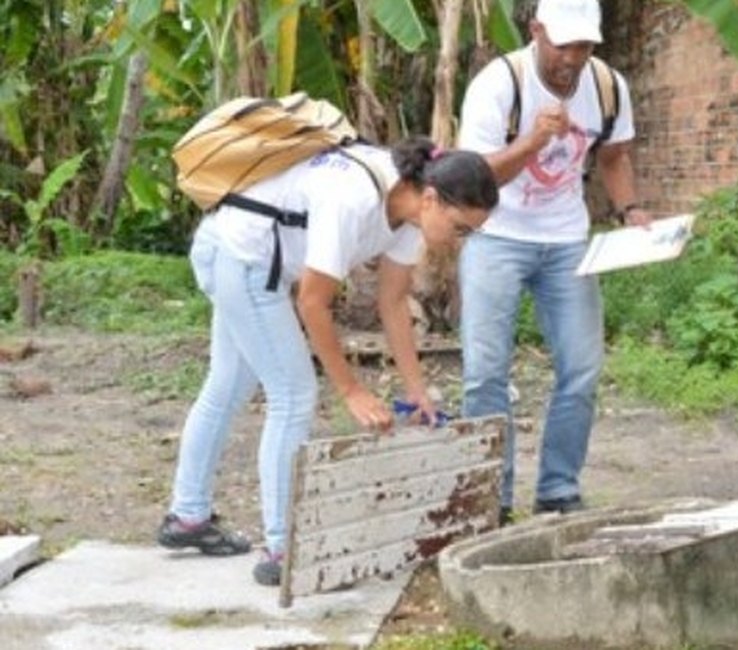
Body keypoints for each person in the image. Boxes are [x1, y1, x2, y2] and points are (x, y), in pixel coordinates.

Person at [156, 137, 499, 586]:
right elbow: (313, 303)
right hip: (242, 258)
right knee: (294, 395)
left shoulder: (411, 210)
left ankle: (188, 517)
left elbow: (393, 303)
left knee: (229, 384)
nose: (461, 241)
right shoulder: (353, 200)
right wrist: (352, 390)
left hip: (248, 256)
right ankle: (284, 547)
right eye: (461, 229)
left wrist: (416, 390)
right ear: (432, 198)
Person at [456, 0, 650, 523]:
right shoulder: (500, 83)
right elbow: (472, 176)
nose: (573, 57)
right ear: (536, 30)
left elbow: (613, 155)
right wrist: (533, 140)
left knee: (582, 369)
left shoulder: (608, 85)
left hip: (567, 239)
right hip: (495, 234)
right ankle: (490, 497)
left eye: (584, 46)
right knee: (484, 373)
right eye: (563, 44)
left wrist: (630, 210)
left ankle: (559, 489)